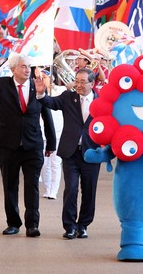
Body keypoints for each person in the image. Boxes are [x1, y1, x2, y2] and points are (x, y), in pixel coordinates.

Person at [0, 53, 56, 237]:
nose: (27, 70)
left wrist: (51, 142)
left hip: (32, 145)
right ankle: (13, 223)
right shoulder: (3, 85)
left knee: (32, 186)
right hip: (8, 145)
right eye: (23, 66)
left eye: (29, 67)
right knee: (10, 186)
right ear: (13, 69)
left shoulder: (37, 86)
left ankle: (32, 225)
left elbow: (46, 115)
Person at [36, 68, 101, 239]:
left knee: (89, 191)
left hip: (91, 152)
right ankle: (70, 226)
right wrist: (41, 93)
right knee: (71, 189)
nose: (78, 85)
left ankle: (83, 225)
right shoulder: (68, 97)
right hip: (70, 152)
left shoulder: (101, 101)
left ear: (92, 83)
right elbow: (51, 102)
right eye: (76, 81)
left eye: (82, 82)